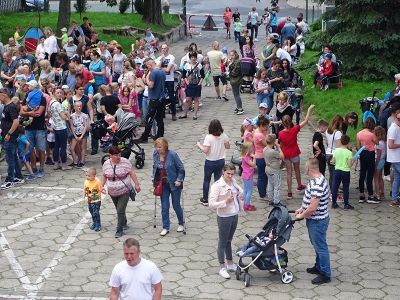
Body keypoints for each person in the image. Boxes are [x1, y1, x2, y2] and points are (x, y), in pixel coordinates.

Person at [295, 158, 331, 285]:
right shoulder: (316, 180)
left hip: (317, 221)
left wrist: (302, 215)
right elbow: (309, 201)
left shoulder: (317, 184)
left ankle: (325, 274)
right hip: (315, 220)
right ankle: (318, 266)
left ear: (309, 169)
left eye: (305, 167)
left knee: (321, 247)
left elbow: (313, 207)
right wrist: (301, 208)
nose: (304, 169)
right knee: (317, 245)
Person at [209, 163, 244, 279]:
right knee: (222, 242)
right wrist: (225, 201)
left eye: (232, 174)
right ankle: (222, 267)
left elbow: (238, 192)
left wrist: (241, 196)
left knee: (229, 240)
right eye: (228, 173)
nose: (230, 176)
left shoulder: (233, 182)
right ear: (223, 172)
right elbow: (211, 204)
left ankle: (230, 263)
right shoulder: (217, 186)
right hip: (224, 216)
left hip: (234, 214)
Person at [101, 146, 141, 238]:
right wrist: (101, 186)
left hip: (124, 190)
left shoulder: (125, 162)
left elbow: (132, 173)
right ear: (110, 155)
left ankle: (119, 230)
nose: (118, 157)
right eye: (115, 155)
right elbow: (104, 175)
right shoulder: (106, 164)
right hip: (112, 192)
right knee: (119, 209)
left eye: (119, 154)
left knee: (120, 210)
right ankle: (124, 221)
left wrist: (136, 184)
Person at [279, 105, 315, 199]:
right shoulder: (295, 129)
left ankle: (289, 193)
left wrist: (281, 156)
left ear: (282, 123)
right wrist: (309, 109)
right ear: (291, 122)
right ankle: (299, 186)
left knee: (289, 173)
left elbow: (281, 145)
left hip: (286, 154)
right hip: (295, 153)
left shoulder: (281, 133)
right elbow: (306, 121)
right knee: (297, 170)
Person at [152, 138, 185, 236]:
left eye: (160, 147)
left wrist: (179, 180)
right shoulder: (155, 154)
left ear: (165, 146)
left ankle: (181, 223)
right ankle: (166, 227)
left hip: (174, 183)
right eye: (156, 147)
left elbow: (181, 168)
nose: (158, 149)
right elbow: (154, 167)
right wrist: (153, 180)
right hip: (163, 184)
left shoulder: (172, 155)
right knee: (164, 206)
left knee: (176, 205)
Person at [196, 119, 230, 206]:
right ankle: (218, 198)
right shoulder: (223, 135)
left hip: (210, 161)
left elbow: (206, 150)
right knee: (218, 180)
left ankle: (205, 199)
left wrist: (199, 145)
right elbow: (228, 146)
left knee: (207, 180)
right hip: (220, 161)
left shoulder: (209, 137)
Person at [137, 58, 165, 143]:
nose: (147, 68)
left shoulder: (153, 72)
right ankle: (160, 136)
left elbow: (151, 85)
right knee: (159, 119)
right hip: (161, 98)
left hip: (155, 99)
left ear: (150, 64)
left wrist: (145, 81)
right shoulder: (161, 71)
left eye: (147, 66)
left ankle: (144, 137)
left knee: (149, 118)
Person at [0, 88, 24, 190]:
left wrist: (9, 133)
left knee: (10, 159)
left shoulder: (11, 107)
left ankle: (9, 180)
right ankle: (18, 176)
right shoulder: (6, 106)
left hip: (10, 136)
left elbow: (16, 122)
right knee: (13, 156)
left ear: (4, 95)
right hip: (7, 135)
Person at [357, 117, 379, 204]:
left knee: (362, 174)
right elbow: (377, 142)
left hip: (362, 153)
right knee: (369, 175)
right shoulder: (371, 134)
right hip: (370, 154)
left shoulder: (359, 133)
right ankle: (370, 195)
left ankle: (361, 195)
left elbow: (358, 147)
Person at [331, 135, 355, 210]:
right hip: (345, 172)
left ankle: (334, 203)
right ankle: (346, 204)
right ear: (348, 143)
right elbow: (349, 165)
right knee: (345, 188)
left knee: (335, 186)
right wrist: (353, 160)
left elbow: (333, 162)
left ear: (340, 141)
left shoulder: (336, 150)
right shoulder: (349, 152)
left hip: (337, 170)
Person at [49, 88, 70, 171]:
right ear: (54, 93)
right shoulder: (57, 104)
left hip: (55, 127)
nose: (60, 94)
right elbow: (63, 116)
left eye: (61, 93)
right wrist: (67, 118)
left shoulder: (51, 102)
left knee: (56, 146)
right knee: (63, 146)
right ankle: (64, 165)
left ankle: (56, 164)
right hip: (61, 127)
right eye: (57, 93)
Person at [179, 52, 204, 120]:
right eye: (192, 57)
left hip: (196, 84)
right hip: (189, 84)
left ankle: (195, 115)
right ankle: (185, 114)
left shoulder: (199, 65)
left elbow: (202, 75)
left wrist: (199, 83)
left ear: (196, 58)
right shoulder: (187, 65)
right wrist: (187, 82)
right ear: (190, 58)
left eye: (194, 57)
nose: (193, 58)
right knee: (187, 99)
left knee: (196, 99)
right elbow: (183, 74)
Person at [156, 44, 177, 121]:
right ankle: (162, 113)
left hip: (169, 79)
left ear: (167, 49)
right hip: (162, 80)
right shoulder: (159, 58)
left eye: (165, 48)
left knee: (171, 97)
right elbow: (157, 68)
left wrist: (161, 69)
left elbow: (168, 70)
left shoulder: (171, 57)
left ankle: (173, 113)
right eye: (162, 48)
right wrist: (161, 60)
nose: (163, 50)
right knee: (161, 97)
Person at [264, 134, 284, 206]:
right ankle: (276, 201)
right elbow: (282, 156)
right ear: (273, 141)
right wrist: (279, 147)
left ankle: (270, 199)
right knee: (277, 186)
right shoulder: (272, 152)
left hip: (268, 169)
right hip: (275, 171)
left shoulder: (265, 149)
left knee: (270, 184)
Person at [325, 115, 344, 189]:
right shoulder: (338, 133)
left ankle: (332, 192)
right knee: (336, 176)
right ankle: (334, 192)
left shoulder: (327, 130)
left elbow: (327, 142)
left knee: (331, 175)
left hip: (328, 153)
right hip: (335, 155)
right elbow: (339, 147)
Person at [254, 117, 270, 201]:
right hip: (261, 157)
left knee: (264, 176)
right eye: (265, 126)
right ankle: (262, 194)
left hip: (262, 156)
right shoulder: (259, 134)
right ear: (260, 125)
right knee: (262, 176)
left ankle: (263, 192)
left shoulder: (260, 131)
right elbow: (268, 144)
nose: (267, 128)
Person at [69, 101, 88, 168]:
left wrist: (82, 135)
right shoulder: (72, 116)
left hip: (82, 133)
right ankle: (75, 161)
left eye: (80, 106)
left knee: (83, 147)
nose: (79, 107)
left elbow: (85, 126)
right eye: (77, 106)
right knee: (72, 148)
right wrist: (75, 135)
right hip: (75, 133)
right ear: (74, 107)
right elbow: (71, 126)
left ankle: (82, 161)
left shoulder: (84, 115)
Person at [387, 108, 400, 207]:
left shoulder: (396, 127)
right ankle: (395, 198)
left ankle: (394, 199)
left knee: (397, 178)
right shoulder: (394, 129)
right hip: (396, 158)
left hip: (397, 157)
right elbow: (390, 145)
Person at [84, 167, 102, 231]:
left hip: (96, 200)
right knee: (91, 212)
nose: (87, 177)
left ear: (94, 176)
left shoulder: (97, 182)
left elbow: (100, 189)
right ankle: (94, 222)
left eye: (89, 176)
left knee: (96, 212)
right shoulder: (86, 181)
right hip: (89, 200)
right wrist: (84, 194)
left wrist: (102, 191)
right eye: (86, 175)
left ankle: (98, 224)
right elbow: (85, 188)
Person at [241, 141, 256, 211]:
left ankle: (244, 203)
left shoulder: (245, 156)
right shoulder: (247, 158)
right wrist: (254, 157)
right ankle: (247, 205)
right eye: (252, 148)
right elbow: (253, 164)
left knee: (245, 190)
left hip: (245, 175)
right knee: (249, 190)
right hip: (248, 176)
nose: (253, 149)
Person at [228, 50, 244, 115]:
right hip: (234, 80)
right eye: (230, 55)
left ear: (235, 55)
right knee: (235, 95)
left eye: (232, 55)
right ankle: (238, 107)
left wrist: (228, 73)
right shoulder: (234, 61)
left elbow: (235, 72)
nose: (231, 56)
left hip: (236, 80)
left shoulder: (237, 62)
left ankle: (240, 108)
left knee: (236, 95)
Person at [373, 126, 386, 201]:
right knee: (380, 177)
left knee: (376, 178)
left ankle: (377, 193)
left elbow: (378, 155)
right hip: (383, 160)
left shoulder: (379, 144)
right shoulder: (383, 142)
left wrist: (375, 163)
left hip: (379, 161)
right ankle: (382, 192)